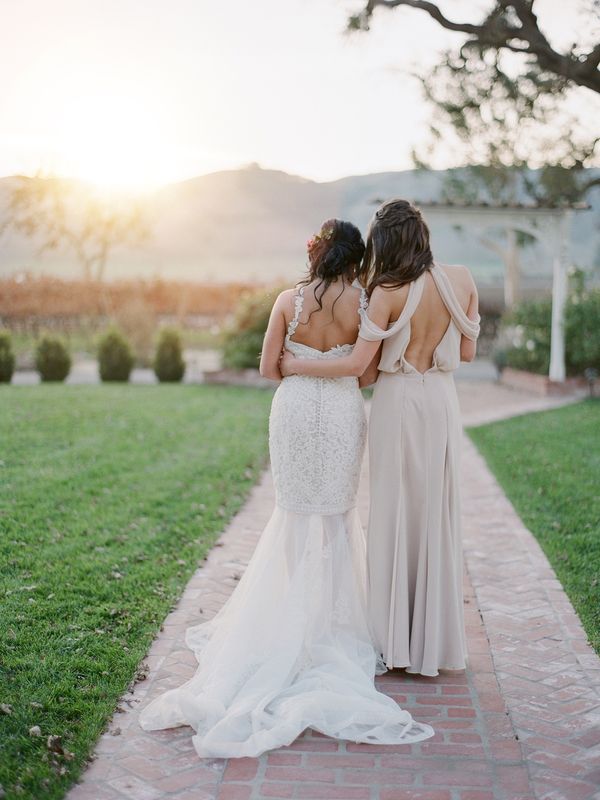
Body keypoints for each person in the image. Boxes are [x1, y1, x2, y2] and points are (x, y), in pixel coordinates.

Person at [138, 218, 435, 759]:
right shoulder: (364, 304)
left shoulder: (285, 300)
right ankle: (330, 625)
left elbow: (268, 369)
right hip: (343, 413)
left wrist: (301, 363)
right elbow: (365, 377)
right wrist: (334, 367)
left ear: (316, 252)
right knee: (337, 514)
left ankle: (287, 617)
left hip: (294, 411)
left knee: (294, 512)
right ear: (356, 257)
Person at [280, 200, 481, 677]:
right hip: (441, 401)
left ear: (384, 243)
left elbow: (361, 371)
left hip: (398, 401)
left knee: (392, 513)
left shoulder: (388, 290)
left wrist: (297, 366)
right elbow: (468, 352)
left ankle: (396, 641)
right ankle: (434, 643)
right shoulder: (464, 279)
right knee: (435, 512)